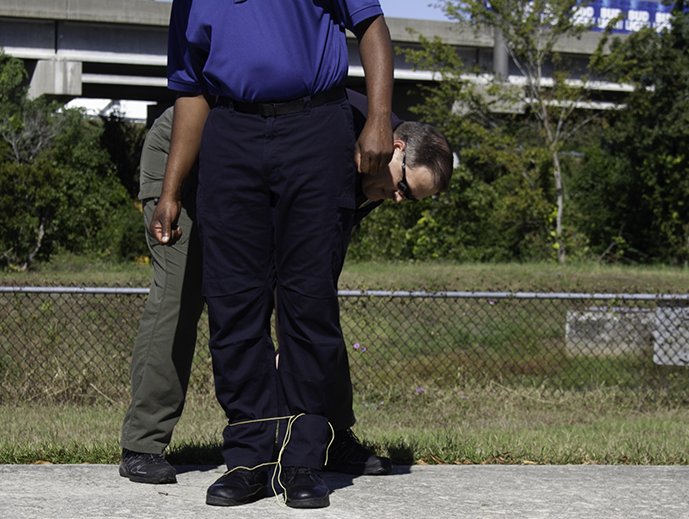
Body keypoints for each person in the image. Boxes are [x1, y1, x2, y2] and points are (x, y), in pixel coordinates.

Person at [119, 96, 454, 486]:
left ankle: (332, 437)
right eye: (404, 189)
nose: (397, 200)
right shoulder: (339, 129)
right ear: (394, 148)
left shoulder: (375, 173)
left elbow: (314, 284)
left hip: (255, 167)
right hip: (188, 151)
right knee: (182, 291)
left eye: (410, 199)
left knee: (314, 302)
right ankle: (142, 443)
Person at [155, 0, 396, 509]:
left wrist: (378, 119)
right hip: (230, 133)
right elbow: (190, 88)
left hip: (315, 125)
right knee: (232, 301)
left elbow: (372, 26)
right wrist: (171, 190)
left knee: (307, 299)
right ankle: (250, 457)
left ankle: (305, 457)